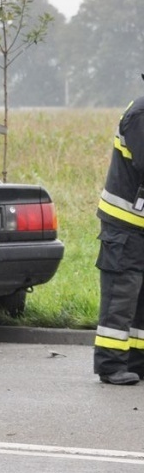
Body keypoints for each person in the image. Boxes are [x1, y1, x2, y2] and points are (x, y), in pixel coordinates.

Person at [94, 86, 144, 386]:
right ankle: (110, 366)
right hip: (124, 226)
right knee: (120, 298)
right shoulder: (141, 115)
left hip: (138, 224)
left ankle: (137, 362)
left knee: (141, 301)